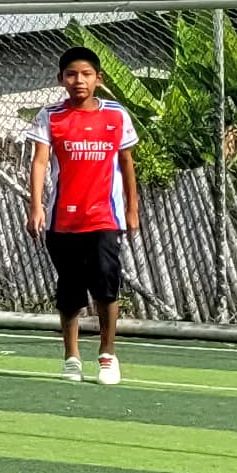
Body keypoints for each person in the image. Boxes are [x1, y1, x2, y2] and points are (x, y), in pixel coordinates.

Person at [32, 45, 140, 384]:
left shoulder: (116, 115)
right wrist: (36, 206)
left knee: (107, 282)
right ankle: (71, 357)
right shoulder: (50, 116)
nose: (79, 80)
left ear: (98, 79)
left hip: (105, 217)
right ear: (61, 79)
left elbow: (126, 163)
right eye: (71, 74)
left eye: (86, 74)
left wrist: (132, 208)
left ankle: (107, 355)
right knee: (69, 290)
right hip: (62, 220)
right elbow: (39, 161)